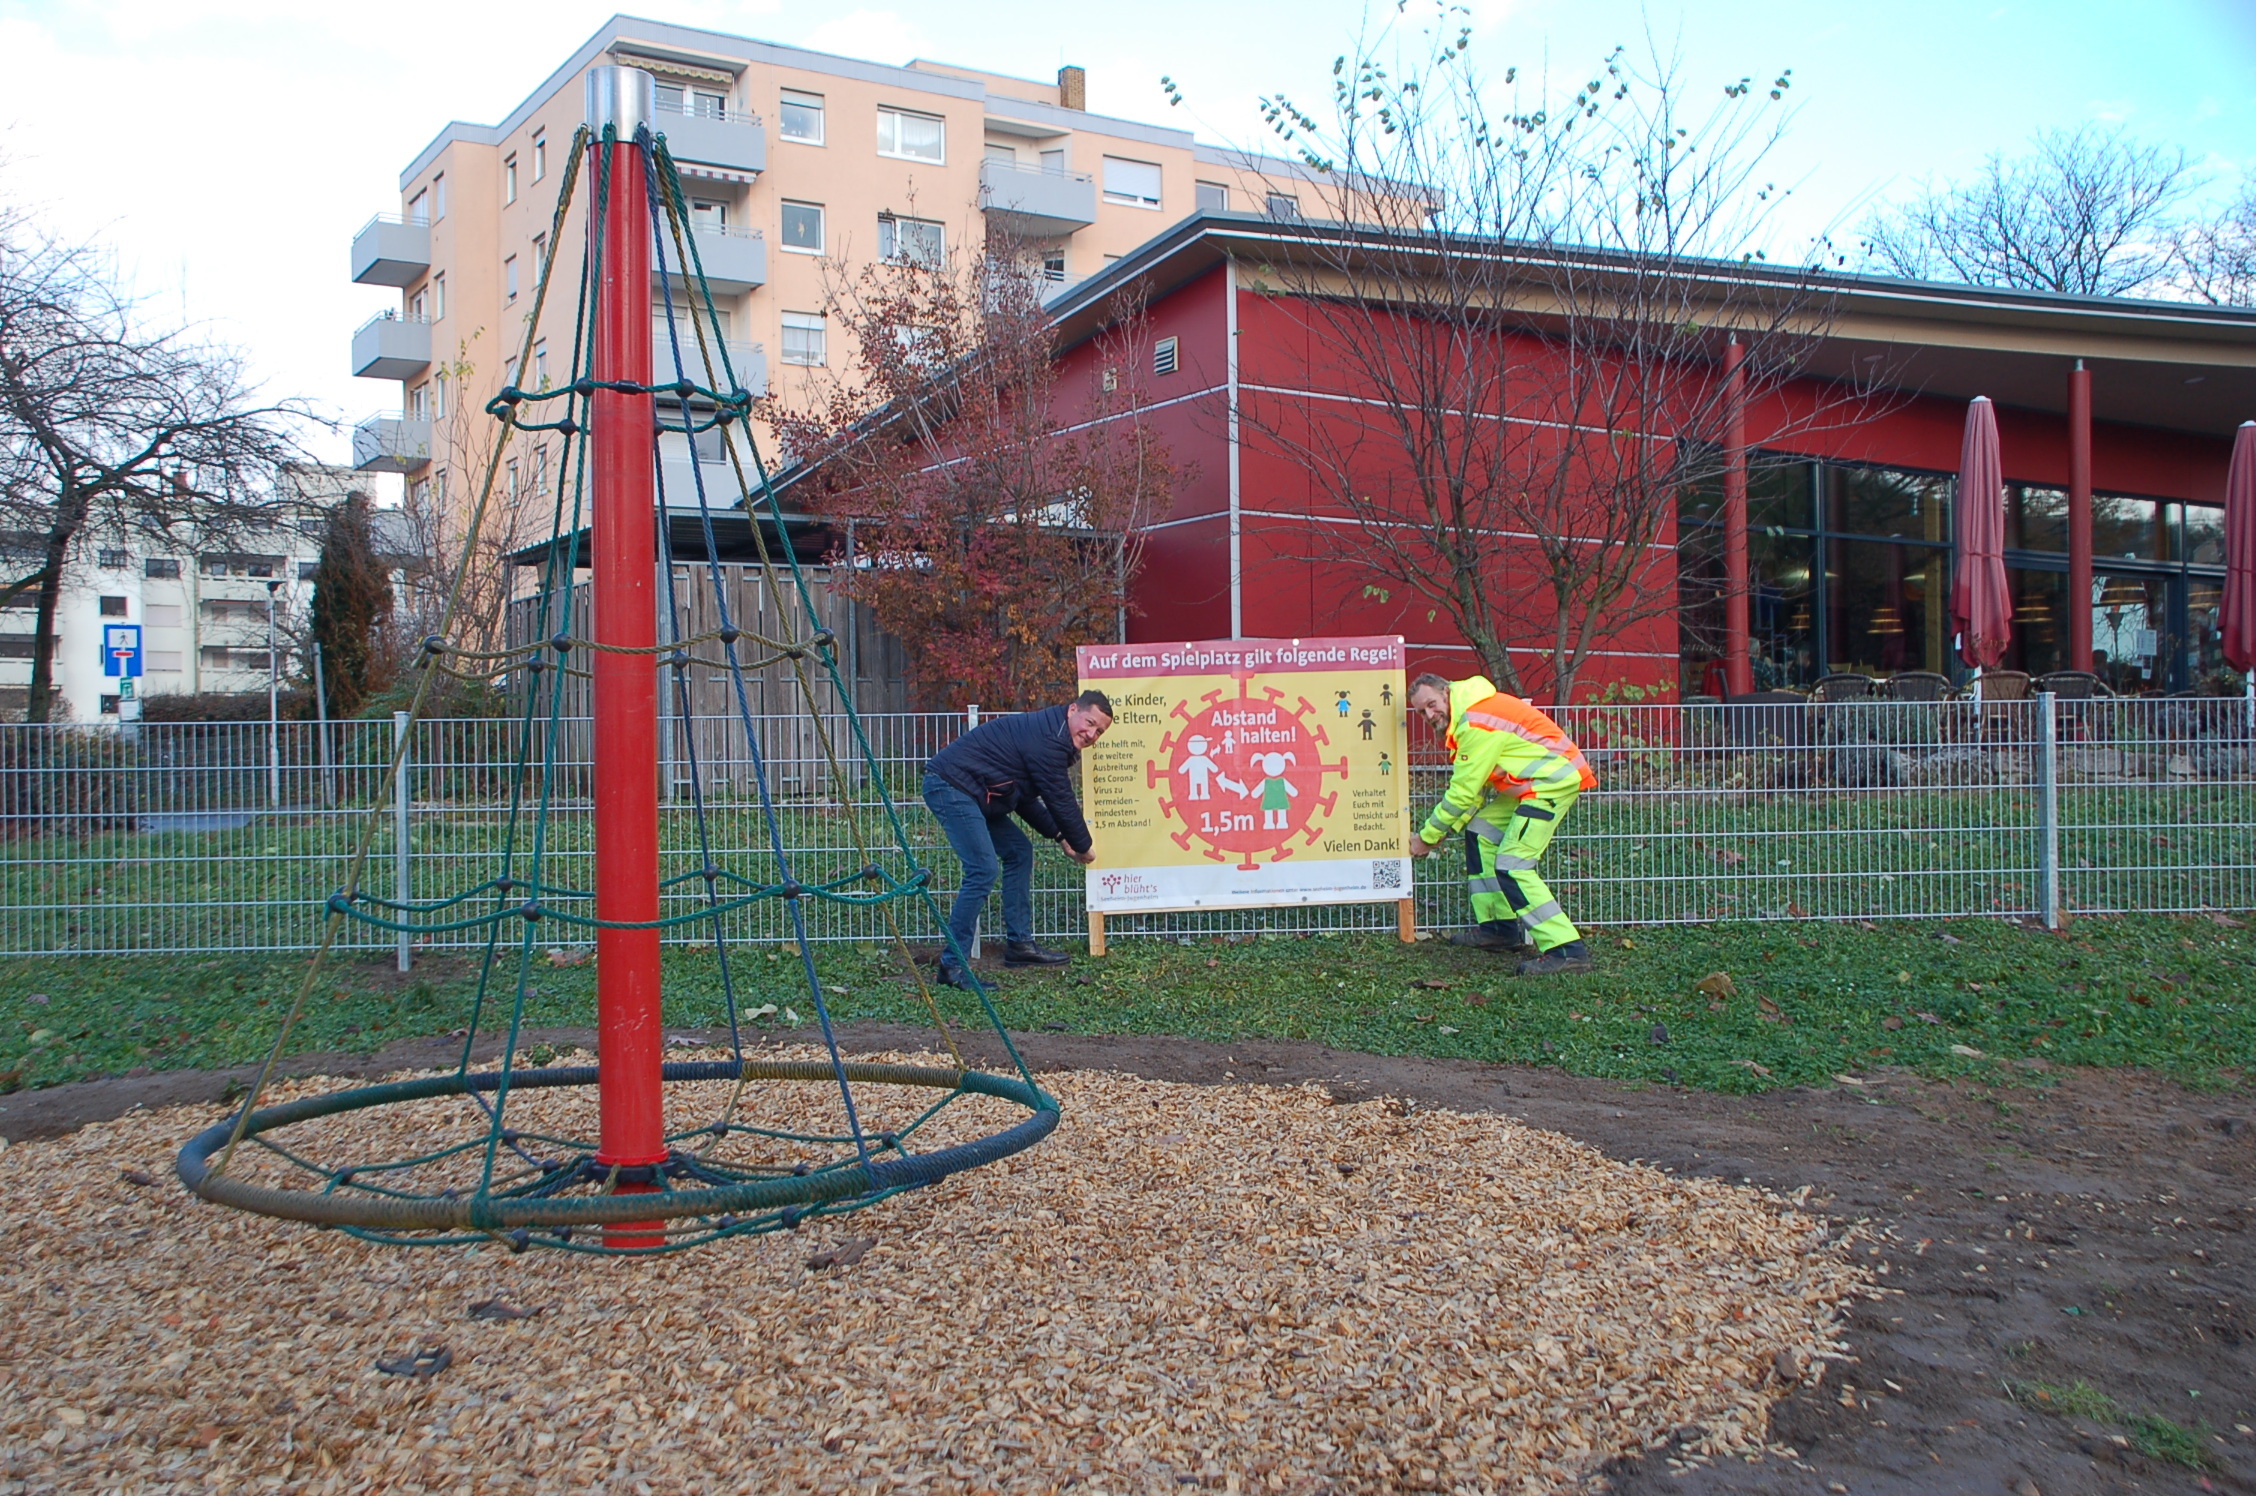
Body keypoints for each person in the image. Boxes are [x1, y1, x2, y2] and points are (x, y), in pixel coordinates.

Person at [1405, 672, 1597, 976]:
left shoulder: (1475, 722)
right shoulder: (1471, 714)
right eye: (1421, 711)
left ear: (1446, 692)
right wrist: (1444, 831)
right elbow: (1474, 792)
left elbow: (1463, 792)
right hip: (1528, 784)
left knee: (1513, 865)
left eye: (1431, 704)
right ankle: (1499, 930)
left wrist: (1427, 837)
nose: (1429, 715)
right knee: (1480, 834)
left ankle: (1567, 950)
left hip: (1548, 784)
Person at [922, 690, 1112, 988]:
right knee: (982, 869)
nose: (1091, 734)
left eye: (1099, 731)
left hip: (977, 791)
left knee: (1019, 851)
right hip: (950, 785)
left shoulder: (1050, 733)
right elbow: (1060, 799)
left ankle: (1019, 945)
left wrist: (1060, 835)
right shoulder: (1049, 740)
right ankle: (952, 966)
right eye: (1089, 723)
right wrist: (1085, 847)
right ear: (1073, 709)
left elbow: (1024, 799)